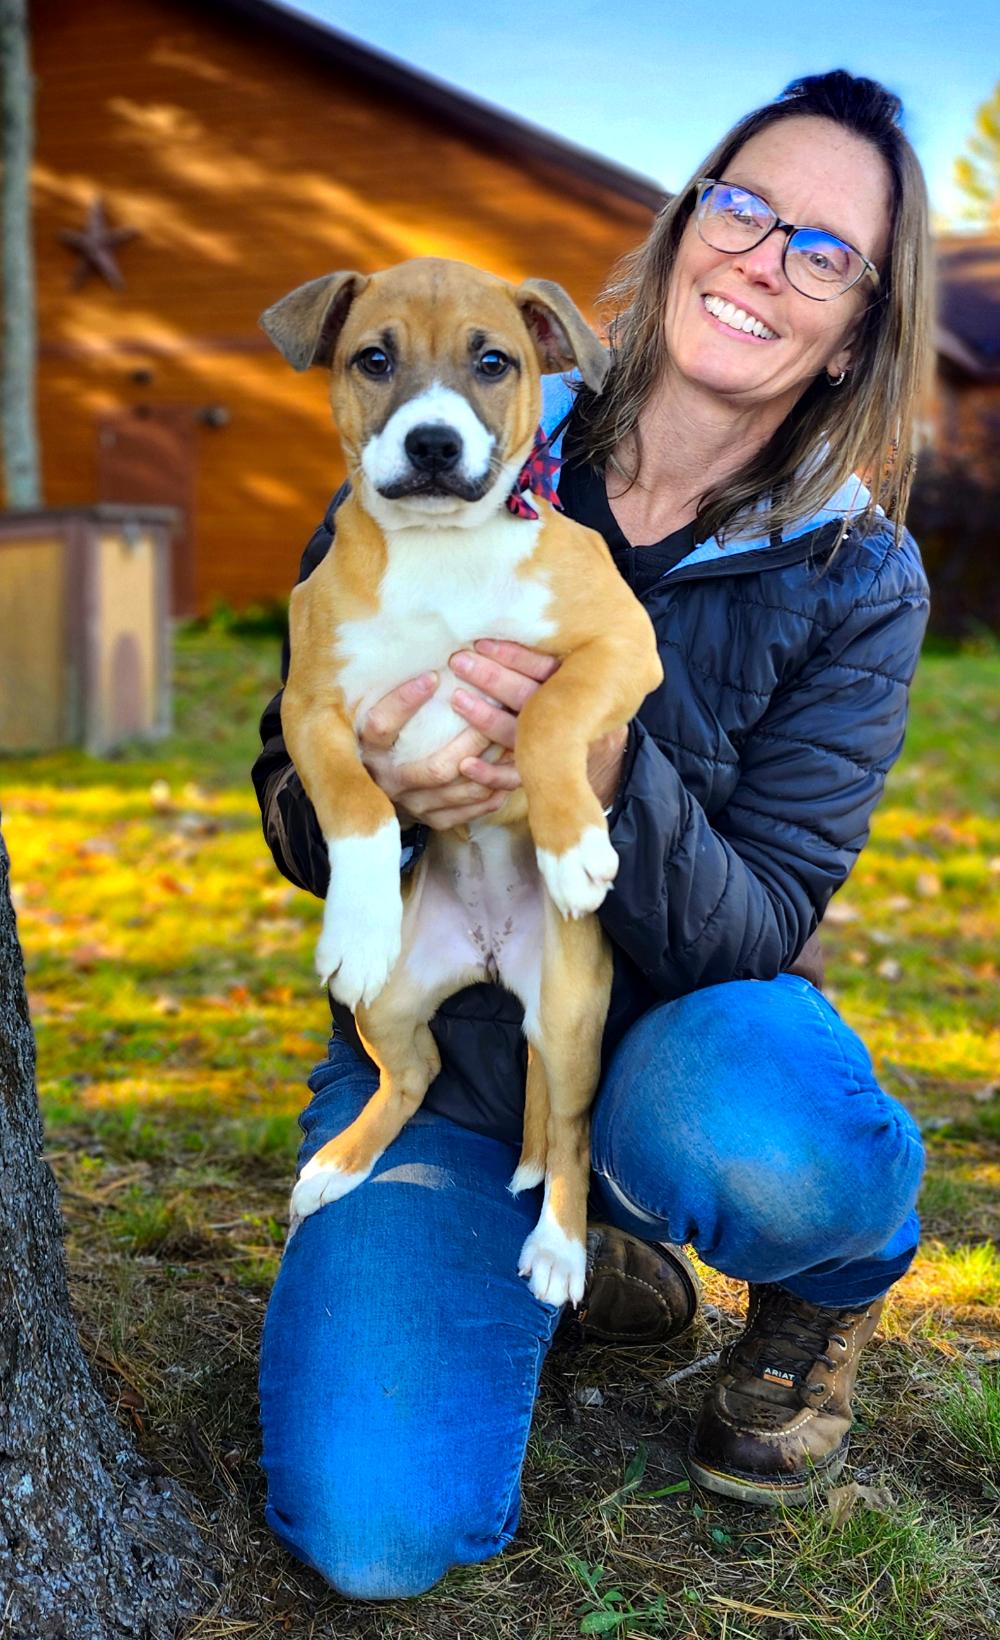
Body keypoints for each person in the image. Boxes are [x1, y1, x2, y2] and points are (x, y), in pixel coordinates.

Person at [252, 70, 932, 1595]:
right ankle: (590, 1255)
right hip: (453, 1066)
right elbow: (288, 795)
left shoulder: (860, 579)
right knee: (374, 1529)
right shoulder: (429, 451)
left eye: (824, 252)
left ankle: (818, 1275)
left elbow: (760, 919)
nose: (764, 258)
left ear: (860, 326)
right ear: (690, 221)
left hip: (688, 1040)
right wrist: (370, 800)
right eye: (744, 207)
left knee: (771, 1148)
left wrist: (597, 756)